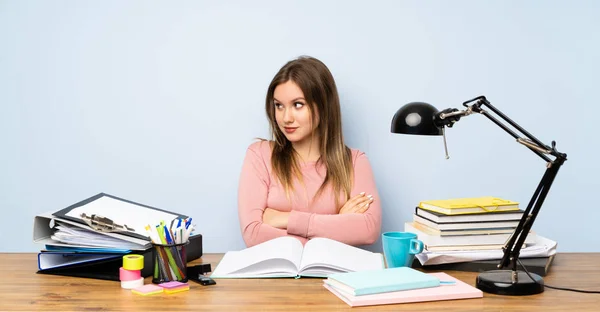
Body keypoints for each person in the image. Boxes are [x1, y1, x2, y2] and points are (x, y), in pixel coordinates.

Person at [238, 56, 381, 247]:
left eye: (298, 104)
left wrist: (286, 219)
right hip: (273, 275)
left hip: (334, 275)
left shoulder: (355, 162)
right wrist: (338, 223)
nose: (286, 118)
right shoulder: (260, 155)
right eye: (278, 105)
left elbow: (368, 231)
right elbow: (253, 234)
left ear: (323, 106)